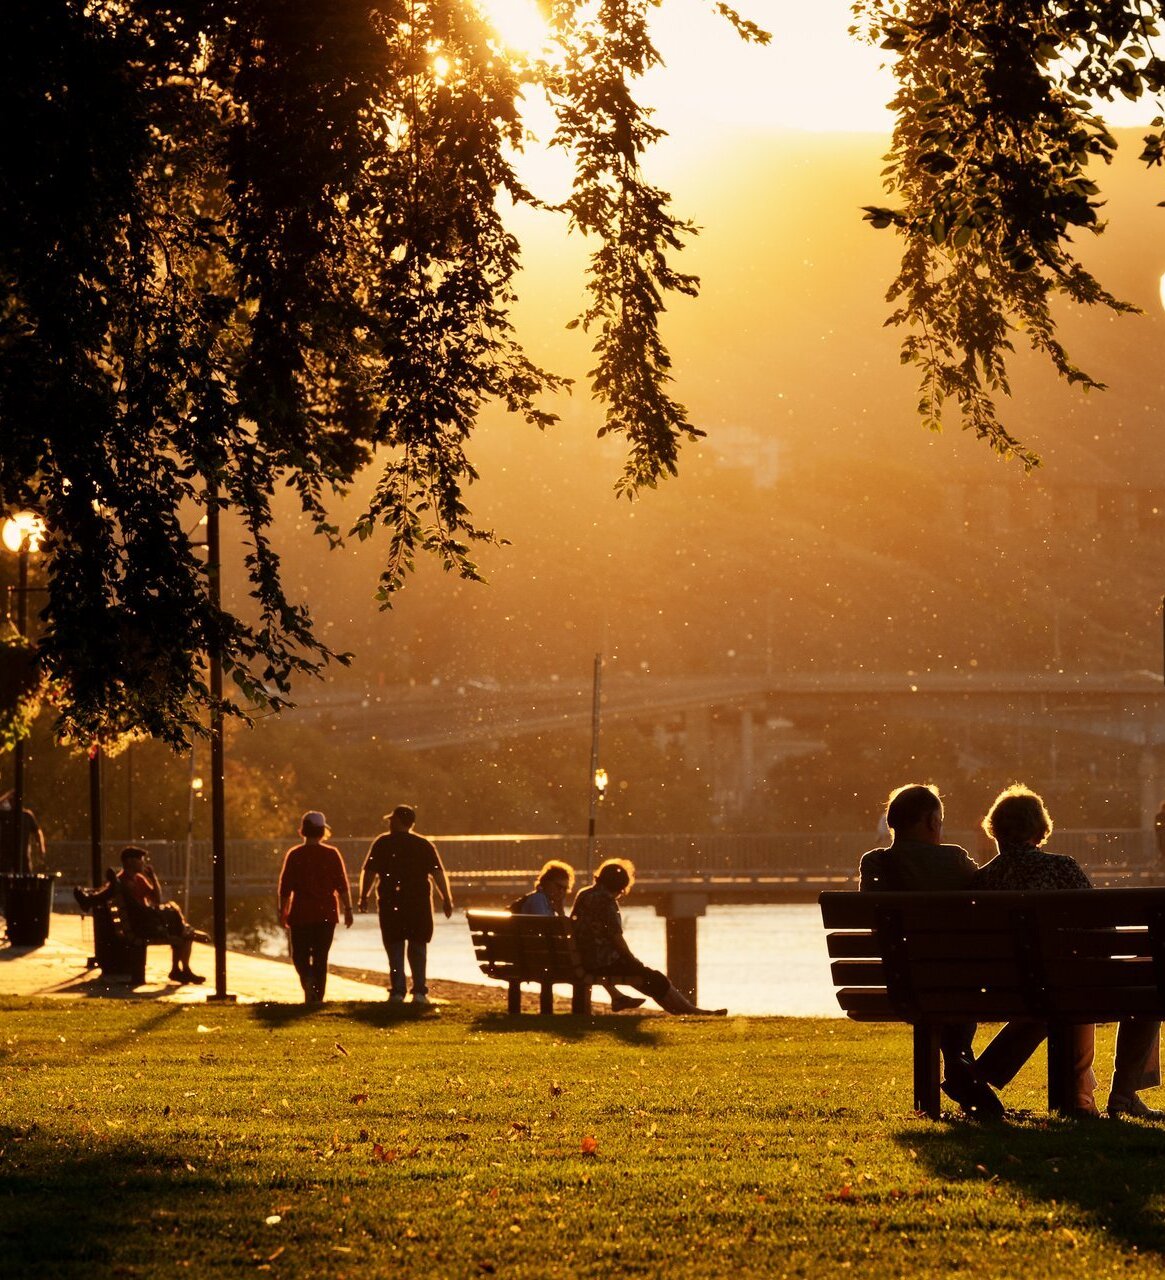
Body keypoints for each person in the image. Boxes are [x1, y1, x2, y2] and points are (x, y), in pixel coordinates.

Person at [972, 784, 1163, 1121]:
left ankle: (980, 1074)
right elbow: (1102, 931)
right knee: (1148, 981)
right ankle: (1124, 1095)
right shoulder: (1061, 867)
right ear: (1039, 829)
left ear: (995, 829)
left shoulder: (981, 880)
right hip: (1067, 984)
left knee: (1050, 991)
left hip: (1007, 988)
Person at [858, 783, 1004, 1120]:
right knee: (956, 974)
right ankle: (959, 1063)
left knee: (937, 979)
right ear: (931, 822)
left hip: (900, 981)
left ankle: (958, 1065)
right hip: (962, 982)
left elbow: (871, 923)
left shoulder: (875, 864)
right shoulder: (954, 859)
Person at [570, 859, 727, 1016]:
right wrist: (631, 959)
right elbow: (615, 938)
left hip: (581, 959)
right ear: (620, 887)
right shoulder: (606, 901)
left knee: (646, 977)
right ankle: (692, 1011)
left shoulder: (584, 894)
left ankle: (688, 1011)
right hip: (601, 962)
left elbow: (575, 925)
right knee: (655, 979)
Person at [512, 861, 645, 1012]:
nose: (562, 892)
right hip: (539, 959)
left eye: (565, 889)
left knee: (586, 956)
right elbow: (549, 933)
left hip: (534, 956)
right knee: (587, 958)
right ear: (546, 882)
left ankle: (617, 996)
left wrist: (560, 911)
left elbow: (554, 934)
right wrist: (561, 912)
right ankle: (616, 997)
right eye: (559, 886)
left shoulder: (542, 901)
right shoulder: (539, 901)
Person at [358, 804, 453, 1006]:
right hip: (418, 903)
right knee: (418, 946)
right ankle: (419, 991)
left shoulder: (382, 843)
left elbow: (369, 872)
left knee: (394, 948)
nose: (390, 822)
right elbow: (437, 873)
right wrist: (446, 898)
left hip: (391, 902)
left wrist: (363, 896)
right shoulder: (423, 845)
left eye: (392, 819)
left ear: (400, 821)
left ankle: (397, 991)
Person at [85, 846, 205, 984]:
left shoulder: (138, 879)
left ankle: (181, 968)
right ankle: (179, 969)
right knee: (182, 930)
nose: (144, 862)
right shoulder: (123, 882)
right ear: (130, 861)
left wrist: (153, 878)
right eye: (140, 860)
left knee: (180, 927)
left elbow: (156, 899)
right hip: (141, 926)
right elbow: (142, 909)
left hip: (143, 922)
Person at [277, 811, 354, 1004]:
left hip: (301, 913)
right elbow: (342, 884)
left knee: (299, 955)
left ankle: (307, 978)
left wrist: (282, 910)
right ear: (322, 832)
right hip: (326, 913)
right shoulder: (331, 854)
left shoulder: (295, 855)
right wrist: (348, 908)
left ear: (303, 830)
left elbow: (285, 887)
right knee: (321, 957)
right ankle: (317, 998)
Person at [0, 790, 45, 874]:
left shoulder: (27, 816)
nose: (12, 803)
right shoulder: (5, 815)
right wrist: (7, 795)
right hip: (6, 854)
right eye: (11, 801)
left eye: (14, 801)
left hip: (22, 855)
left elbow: (37, 832)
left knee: (25, 877)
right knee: (4, 876)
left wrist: (41, 849)